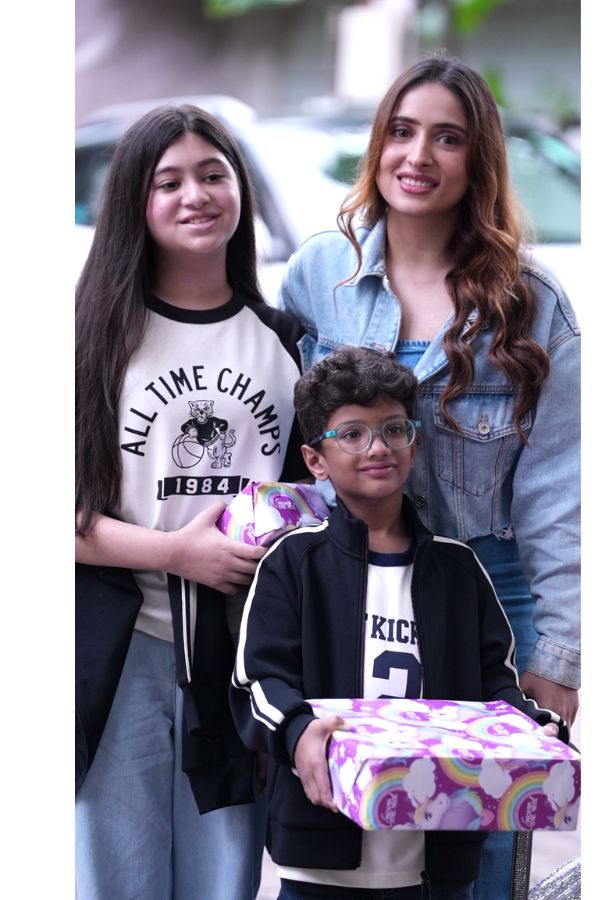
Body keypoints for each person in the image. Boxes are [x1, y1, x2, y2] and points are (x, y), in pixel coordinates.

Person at [276, 55, 581, 897]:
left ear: (478, 160)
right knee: (348, 848)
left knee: (474, 854)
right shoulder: (318, 277)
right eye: (403, 132)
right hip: (347, 600)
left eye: (448, 138)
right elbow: (288, 441)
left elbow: (560, 488)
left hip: (487, 611)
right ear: (378, 145)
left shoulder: (529, 303)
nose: (418, 156)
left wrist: (559, 654)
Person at [74, 104, 310, 900]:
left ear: (241, 188)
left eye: (213, 174)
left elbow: (309, 499)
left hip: (240, 658)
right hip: (120, 650)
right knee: (116, 877)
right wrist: (177, 554)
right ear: (134, 201)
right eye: (168, 181)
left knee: (224, 879)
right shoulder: (94, 335)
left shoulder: (286, 341)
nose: (195, 195)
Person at [231, 346, 568, 900]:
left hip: (436, 859)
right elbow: (257, 681)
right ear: (315, 460)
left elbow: (495, 684)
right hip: (323, 856)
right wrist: (297, 732)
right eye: (352, 435)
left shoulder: (459, 569)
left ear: (414, 442)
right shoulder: (294, 563)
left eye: (393, 429)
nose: (378, 447)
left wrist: (531, 724)